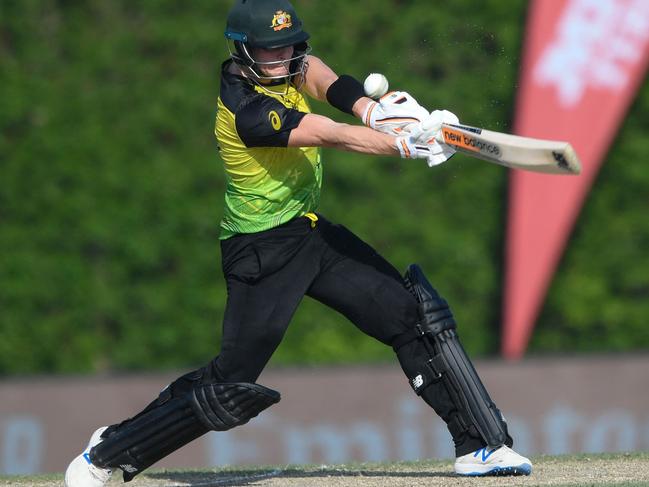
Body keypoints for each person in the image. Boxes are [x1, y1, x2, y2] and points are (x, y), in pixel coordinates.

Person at [64, 1, 532, 485]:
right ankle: (109, 453)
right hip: (261, 251)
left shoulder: (286, 65)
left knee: (412, 315)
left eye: (288, 46)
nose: (283, 58)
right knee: (230, 385)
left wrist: (373, 110)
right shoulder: (247, 108)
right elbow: (326, 134)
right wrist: (400, 143)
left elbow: (322, 79)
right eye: (270, 50)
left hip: (308, 231)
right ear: (244, 52)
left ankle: (479, 446)